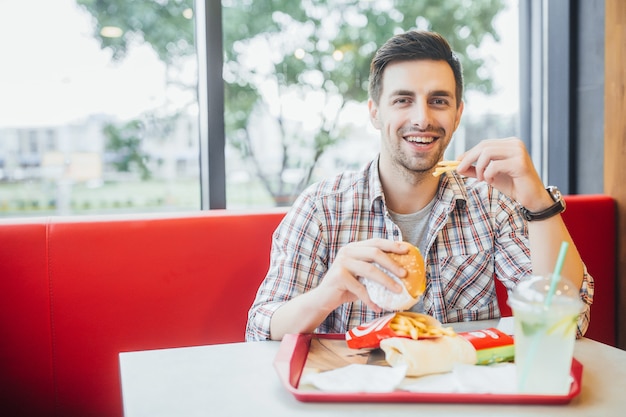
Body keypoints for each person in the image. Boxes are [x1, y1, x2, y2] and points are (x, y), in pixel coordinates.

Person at [245, 30, 593, 342]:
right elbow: (261, 327)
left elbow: (568, 322)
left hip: (462, 391)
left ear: (457, 114)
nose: (422, 118)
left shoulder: (490, 201)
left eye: (438, 101)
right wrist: (327, 293)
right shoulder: (323, 207)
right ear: (375, 112)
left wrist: (536, 201)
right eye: (402, 100)